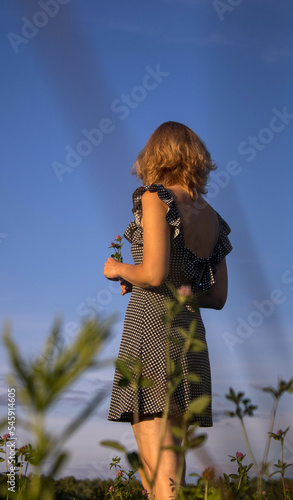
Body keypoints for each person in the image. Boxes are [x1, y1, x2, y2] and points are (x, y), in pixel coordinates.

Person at [104, 121, 232, 499]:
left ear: (155, 156)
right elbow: (217, 297)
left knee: (155, 453)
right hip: (190, 337)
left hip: (152, 329)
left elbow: (153, 271)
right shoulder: (213, 218)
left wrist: (119, 270)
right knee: (169, 457)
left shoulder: (154, 197)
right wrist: (177, 289)